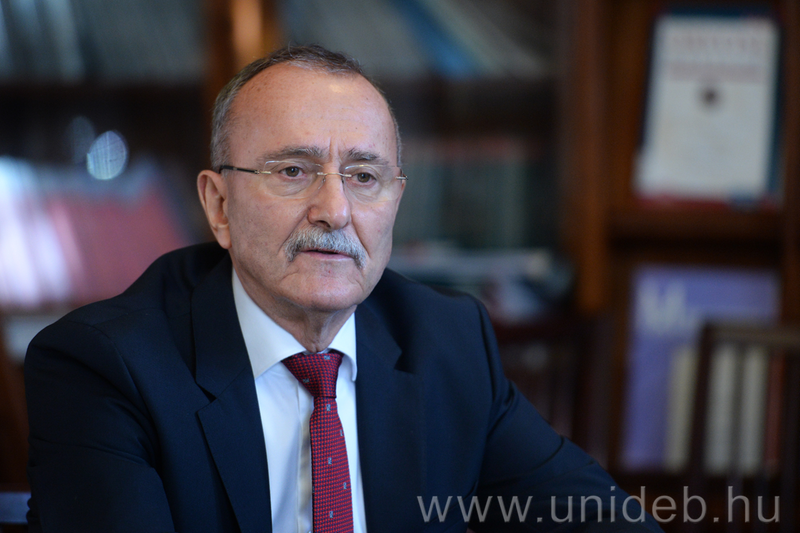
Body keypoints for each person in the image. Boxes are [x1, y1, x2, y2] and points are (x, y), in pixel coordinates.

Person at [24, 45, 663, 532]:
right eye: (293, 170)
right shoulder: (106, 365)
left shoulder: (447, 342)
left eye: (363, 177)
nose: (335, 211)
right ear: (219, 206)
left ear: (396, 201)